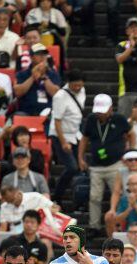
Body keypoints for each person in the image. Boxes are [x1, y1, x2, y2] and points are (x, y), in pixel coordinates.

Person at [79, 94, 134, 232]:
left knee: (119, 195)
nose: (100, 114)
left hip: (115, 164)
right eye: (98, 111)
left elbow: (131, 134)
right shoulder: (91, 120)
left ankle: (119, 224)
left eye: (103, 111)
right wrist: (80, 158)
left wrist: (130, 153)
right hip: (96, 165)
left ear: (110, 109)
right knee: (94, 197)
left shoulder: (119, 119)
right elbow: (84, 139)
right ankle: (94, 226)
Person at [50, 69, 85, 202]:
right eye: (75, 85)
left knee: (81, 167)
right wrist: (63, 142)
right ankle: (57, 196)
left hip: (75, 133)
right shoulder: (60, 96)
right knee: (72, 167)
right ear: (68, 83)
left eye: (80, 85)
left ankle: (73, 192)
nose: (77, 88)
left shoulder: (82, 90)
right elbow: (57, 121)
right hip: (60, 134)